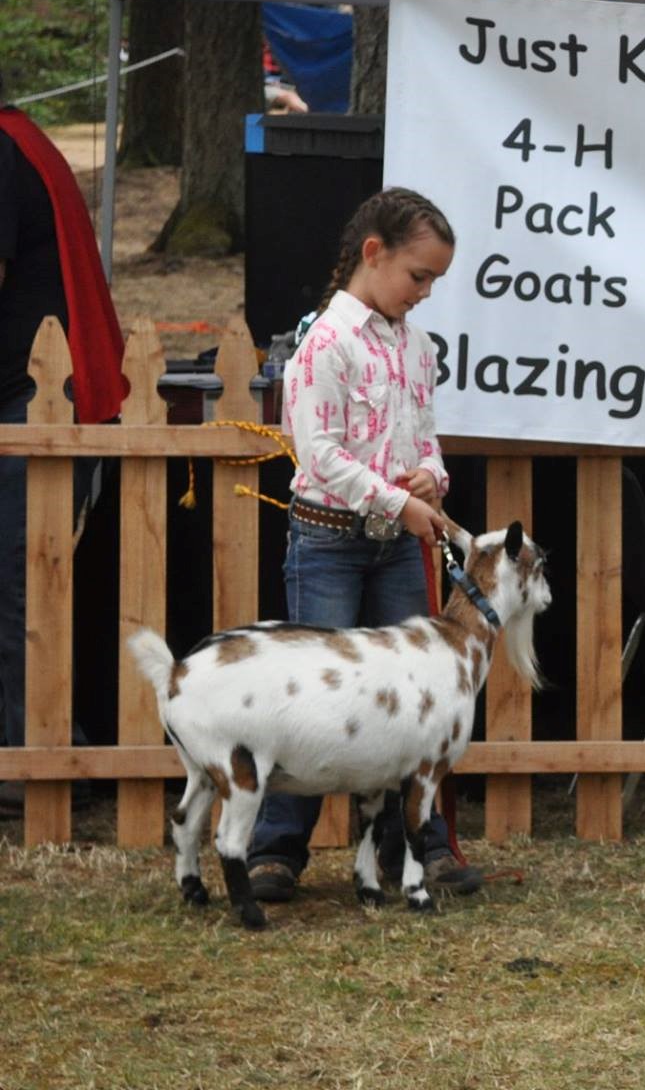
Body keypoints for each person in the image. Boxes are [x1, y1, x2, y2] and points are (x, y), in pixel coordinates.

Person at [243, 188, 485, 898]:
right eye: (419, 276)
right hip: (328, 542)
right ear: (372, 254)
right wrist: (398, 500)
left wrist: (429, 476)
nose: (425, 292)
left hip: (393, 541)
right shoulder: (325, 342)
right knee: (314, 695)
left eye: (435, 280)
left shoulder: (416, 346)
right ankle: (278, 849)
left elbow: (427, 437)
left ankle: (414, 848)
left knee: (413, 695)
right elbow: (317, 456)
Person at [0, 72, 124, 818]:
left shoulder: (4, 148)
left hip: (36, 399)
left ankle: (39, 753)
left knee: (21, 581)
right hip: (32, 393)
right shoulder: (21, 139)